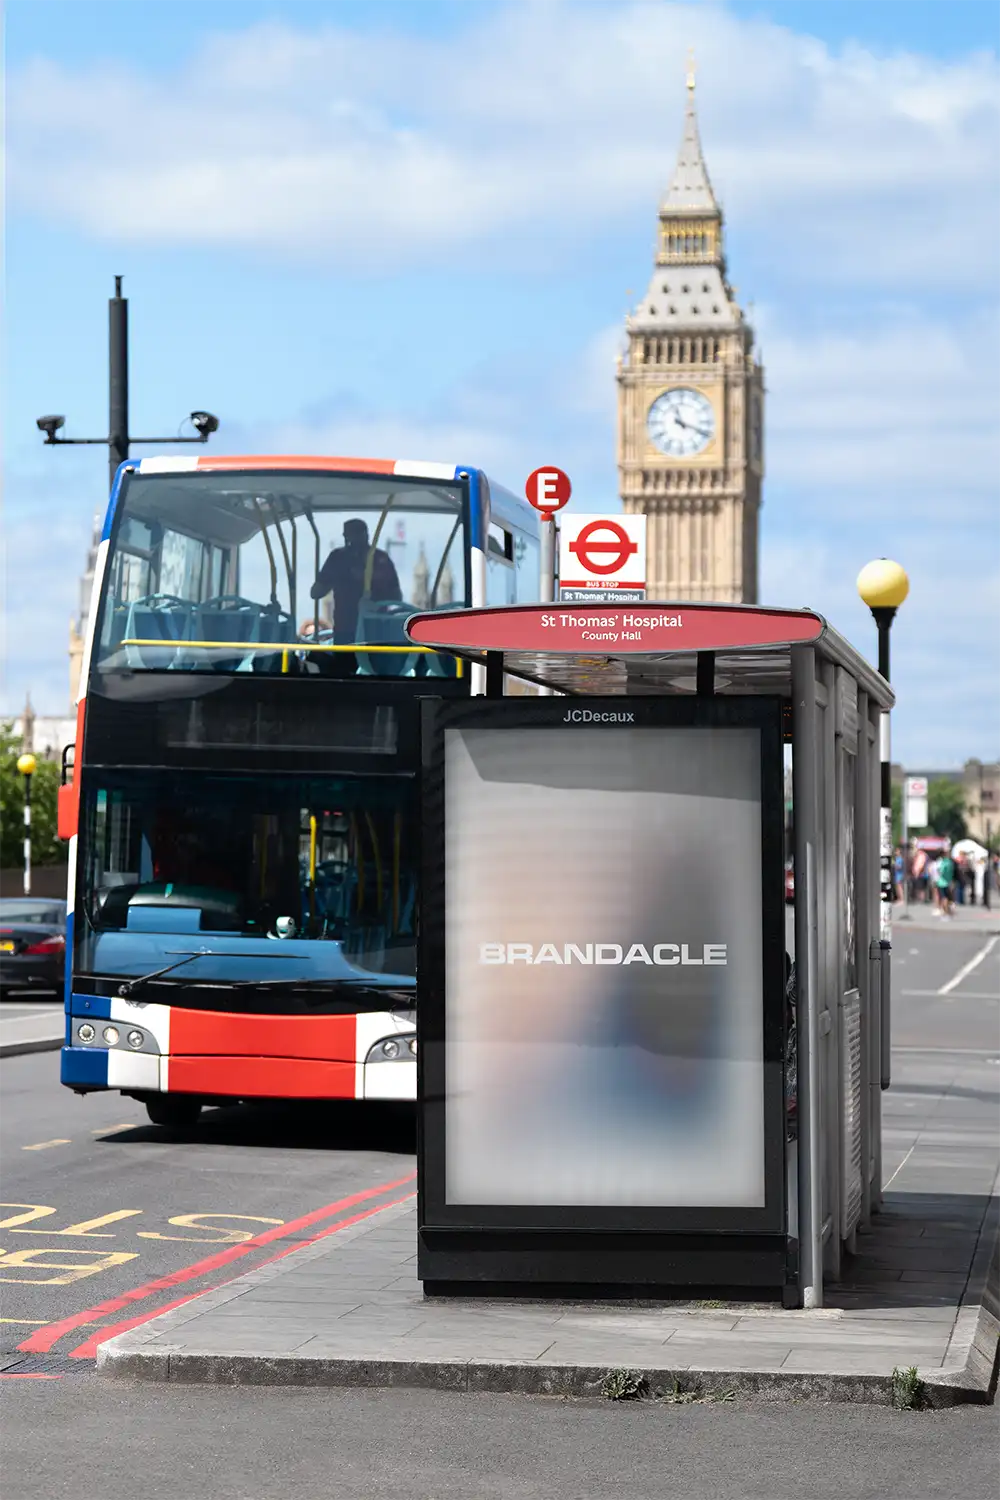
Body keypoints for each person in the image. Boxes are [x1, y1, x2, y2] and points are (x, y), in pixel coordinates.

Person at [310, 519, 402, 644]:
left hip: (372, 630)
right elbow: (316, 592)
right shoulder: (338, 558)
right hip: (353, 629)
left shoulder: (380, 560)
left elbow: (396, 596)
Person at [935, 849, 955, 918]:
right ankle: (948, 911)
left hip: (942, 882)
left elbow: (940, 871)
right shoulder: (949, 862)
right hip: (948, 882)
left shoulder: (943, 863)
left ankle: (945, 912)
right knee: (949, 897)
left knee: (944, 897)